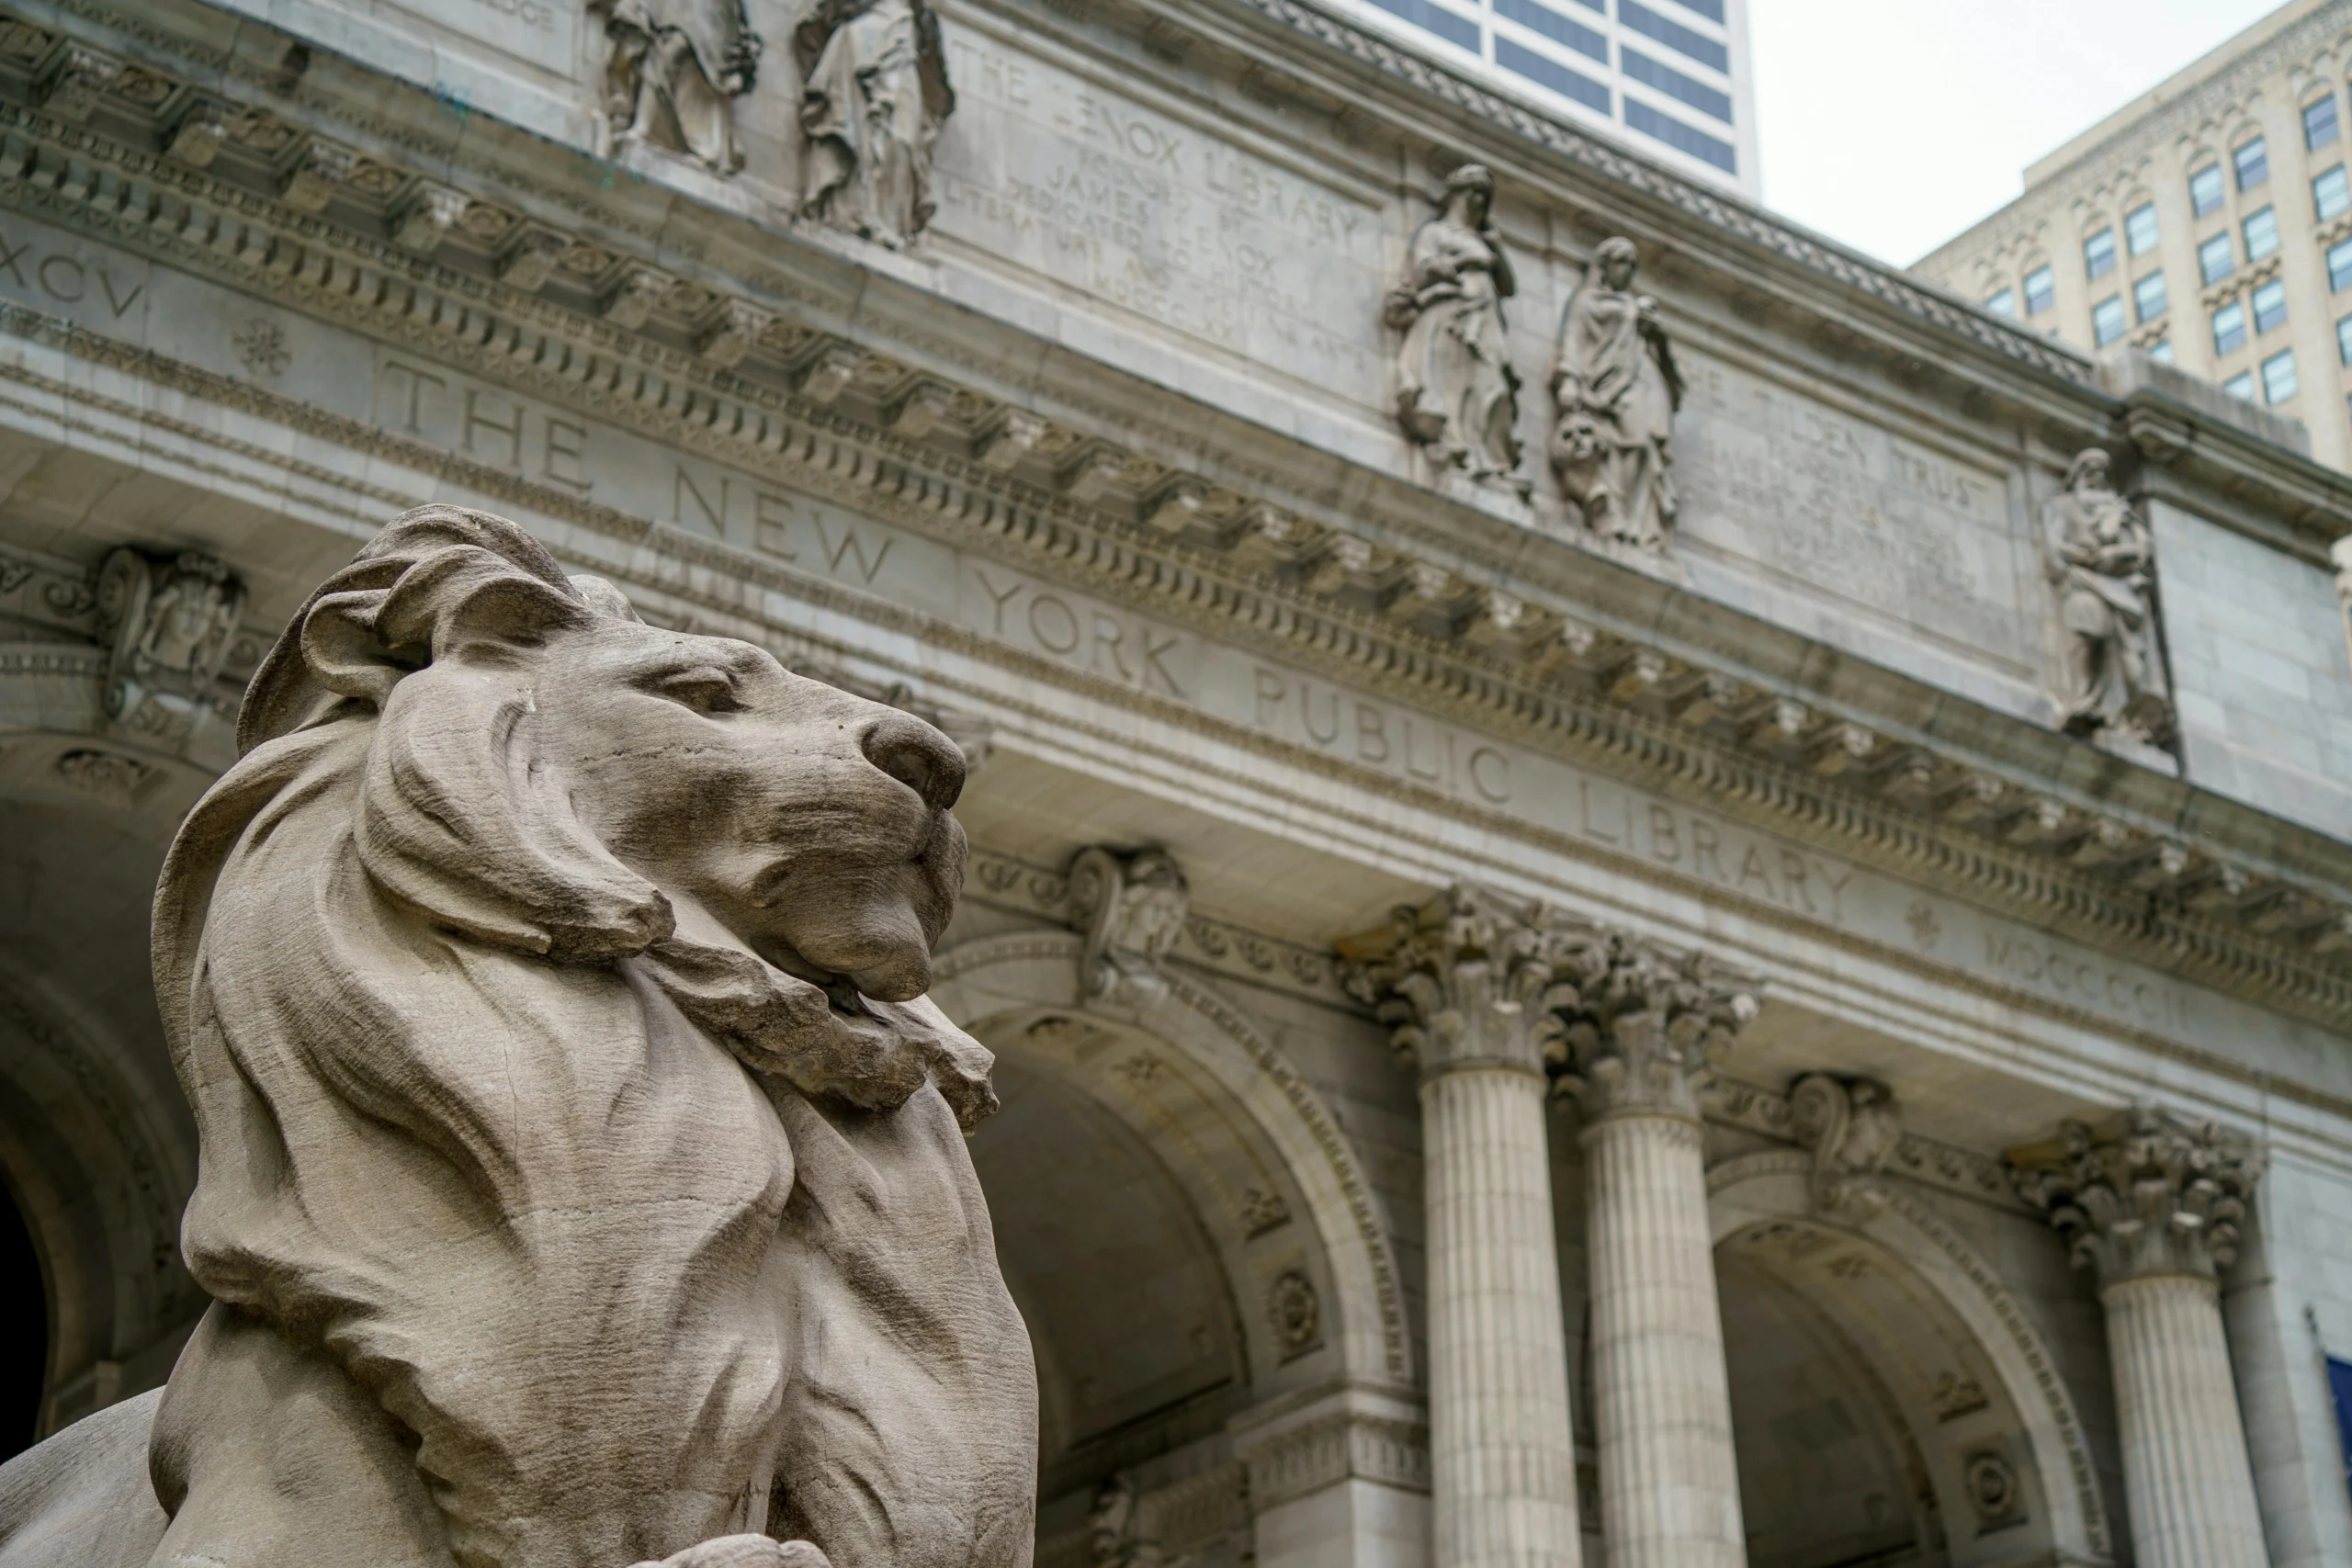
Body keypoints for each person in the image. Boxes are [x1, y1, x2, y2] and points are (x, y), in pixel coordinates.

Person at [1385, 164, 1526, 491]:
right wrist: (1465, 262)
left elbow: (1509, 286)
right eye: (1472, 191)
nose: (1478, 200)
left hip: (1486, 321)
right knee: (1451, 386)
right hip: (1451, 315)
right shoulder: (1436, 232)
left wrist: (1496, 248)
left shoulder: (1485, 240)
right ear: (1456, 194)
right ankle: (1457, 451)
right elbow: (1424, 269)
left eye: (1484, 195)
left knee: (1494, 389)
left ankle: (1491, 461)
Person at [1549, 236, 1683, 547]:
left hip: (1638, 383)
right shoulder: (1585, 302)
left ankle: (1638, 524)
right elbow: (1572, 341)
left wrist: (1657, 334)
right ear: (1604, 266)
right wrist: (1568, 379)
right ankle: (1611, 512)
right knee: (1608, 447)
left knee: (1641, 444)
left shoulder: (1633, 307)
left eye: (1632, 265)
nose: (1628, 270)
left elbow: (1671, 372)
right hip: (1600, 386)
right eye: (1622, 262)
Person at [797, 0, 955, 250]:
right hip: (864, 36)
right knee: (860, 130)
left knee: (902, 140)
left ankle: (890, 222)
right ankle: (853, 213)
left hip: (904, 40)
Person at [2044, 448, 2172, 741]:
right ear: (2077, 474)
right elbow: (2055, 546)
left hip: (2120, 589)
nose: (2096, 474)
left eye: (2102, 469)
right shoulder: (2064, 506)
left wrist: (2116, 552)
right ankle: (2084, 698)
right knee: (2086, 634)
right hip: (2082, 579)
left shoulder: (2122, 511)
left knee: (2130, 659)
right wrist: (2083, 556)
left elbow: (2141, 549)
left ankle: (2129, 714)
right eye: (2089, 467)